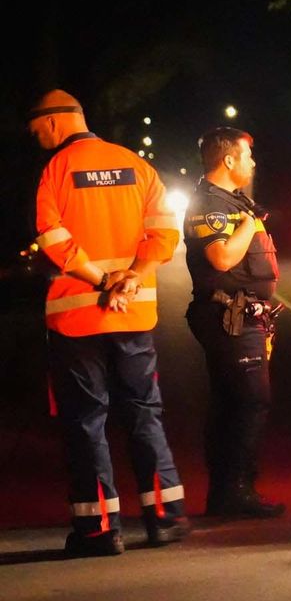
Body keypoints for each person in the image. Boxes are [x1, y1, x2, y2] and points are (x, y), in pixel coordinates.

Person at [28, 90, 188, 557]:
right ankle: (165, 518)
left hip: (77, 320)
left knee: (85, 422)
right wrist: (131, 277)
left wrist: (101, 281)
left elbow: (52, 238)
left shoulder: (55, 171)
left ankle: (98, 530)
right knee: (143, 413)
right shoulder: (135, 165)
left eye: (35, 126)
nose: (33, 135)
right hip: (133, 313)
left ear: (56, 122)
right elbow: (165, 231)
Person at [183, 127, 285, 519]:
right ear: (228, 160)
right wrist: (249, 222)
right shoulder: (210, 203)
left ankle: (227, 490)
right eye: (246, 155)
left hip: (242, 315)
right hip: (229, 317)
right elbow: (222, 258)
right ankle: (235, 490)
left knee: (233, 403)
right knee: (249, 401)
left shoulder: (231, 200)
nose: (252, 162)